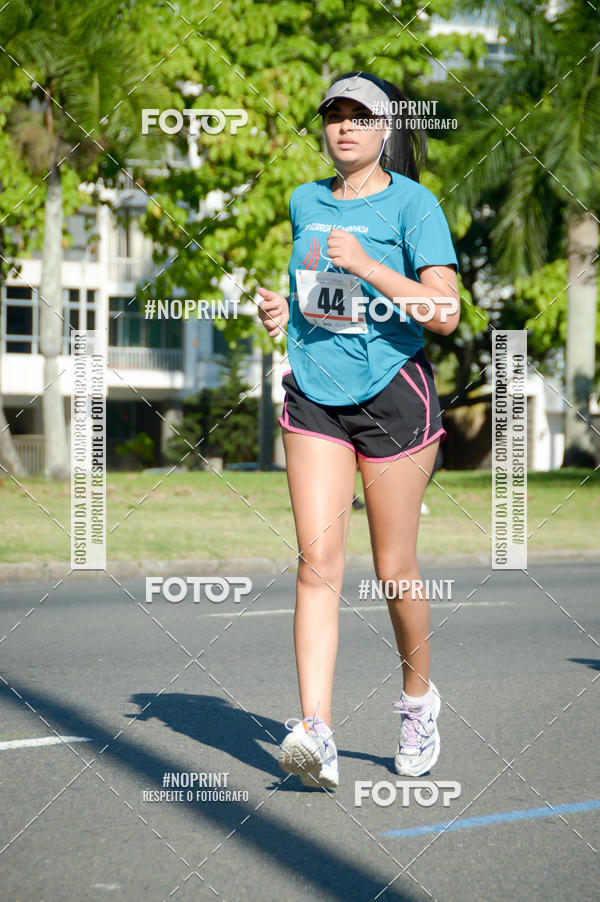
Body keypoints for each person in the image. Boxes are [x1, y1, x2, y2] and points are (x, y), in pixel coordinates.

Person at [257, 72, 460, 790]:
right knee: (317, 565)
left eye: (360, 115)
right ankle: (315, 731)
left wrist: (369, 264)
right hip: (314, 394)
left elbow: (445, 314)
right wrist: (282, 314)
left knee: (393, 568)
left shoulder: (415, 204)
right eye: (333, 114)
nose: (344, 125)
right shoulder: (303, 201)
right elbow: (313, 290)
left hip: (392, 397)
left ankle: (416, 702)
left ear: (385, 129)